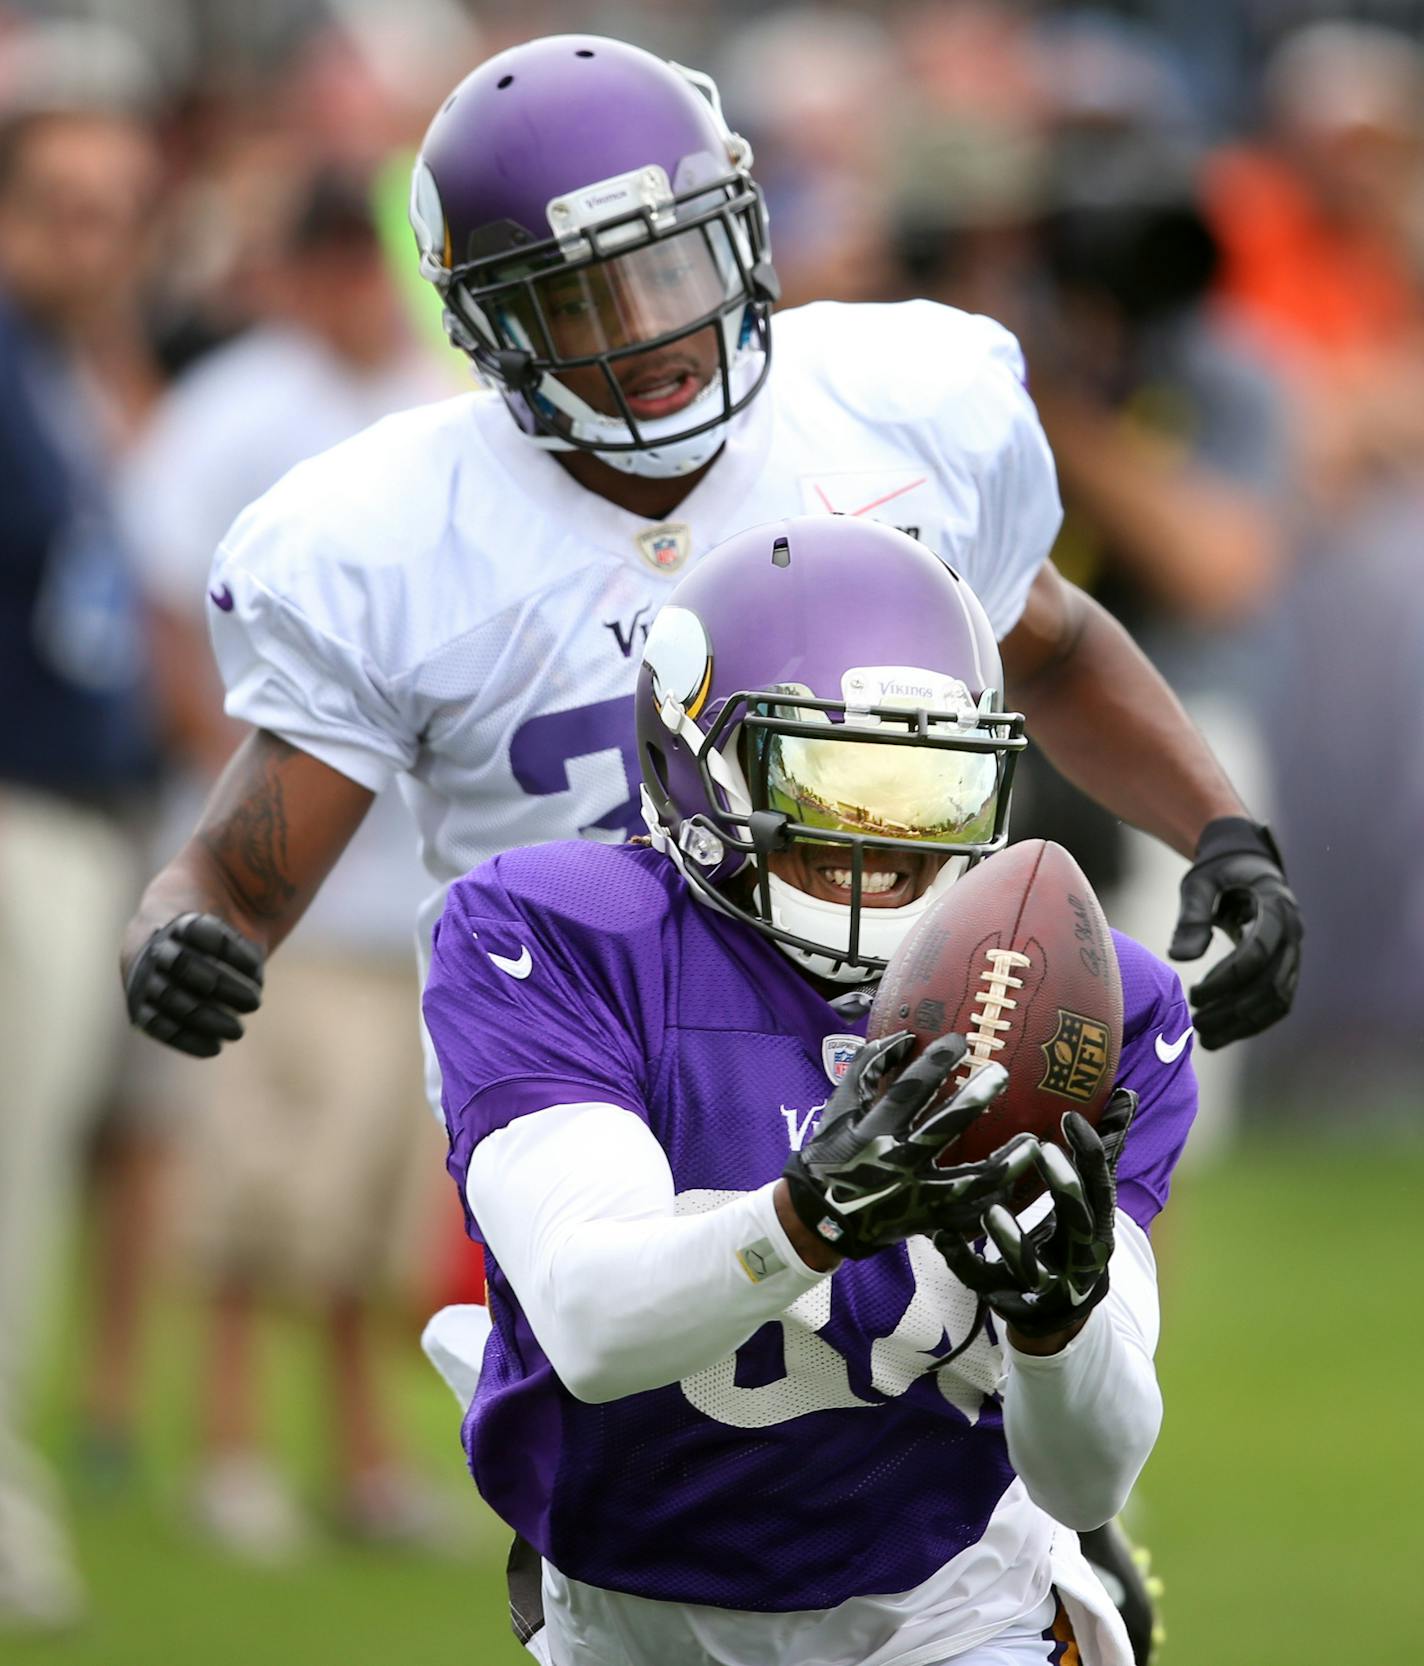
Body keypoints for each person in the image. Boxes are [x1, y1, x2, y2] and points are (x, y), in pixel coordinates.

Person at [119, 32, 1298, 1079]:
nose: (644, 331)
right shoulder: (389, 535)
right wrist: (176, 933)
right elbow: (232, 877)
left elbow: (1049, 644)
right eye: (578, 301)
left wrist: (1220, 832)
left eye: (668, 267)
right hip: (591, 1078)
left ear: (739, 230)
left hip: (899, 1034)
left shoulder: (901, 405)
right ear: (489, 326)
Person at [419, 516, 1195, 1666]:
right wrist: (806, 1220)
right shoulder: (564, 932)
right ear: (696, 764)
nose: (877, 843)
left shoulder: (1076, 1000)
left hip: (947, 1609)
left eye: (924, 790)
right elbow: (588, 1321)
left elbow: (1087, 1471)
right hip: (631, 1615)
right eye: (833, 779)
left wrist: (1054, 1323)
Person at [102, 164, 453, 1555]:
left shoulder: (436, 401)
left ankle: (363, 1462)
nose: (355, 289)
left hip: (413, 892)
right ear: (296, 269)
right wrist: (222, 772)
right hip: (283, 884)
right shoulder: (237, 406)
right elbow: (159, 592)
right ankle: (230, 1448)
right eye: (333, 262)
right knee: (256, 1197)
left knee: (375, 1216)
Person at [0, 78, 160, 1629]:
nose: (91, 236)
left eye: (116, 208)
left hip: (69, 815)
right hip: (15, 809)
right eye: (60, 203)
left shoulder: (61, 369)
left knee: (29, 1177)